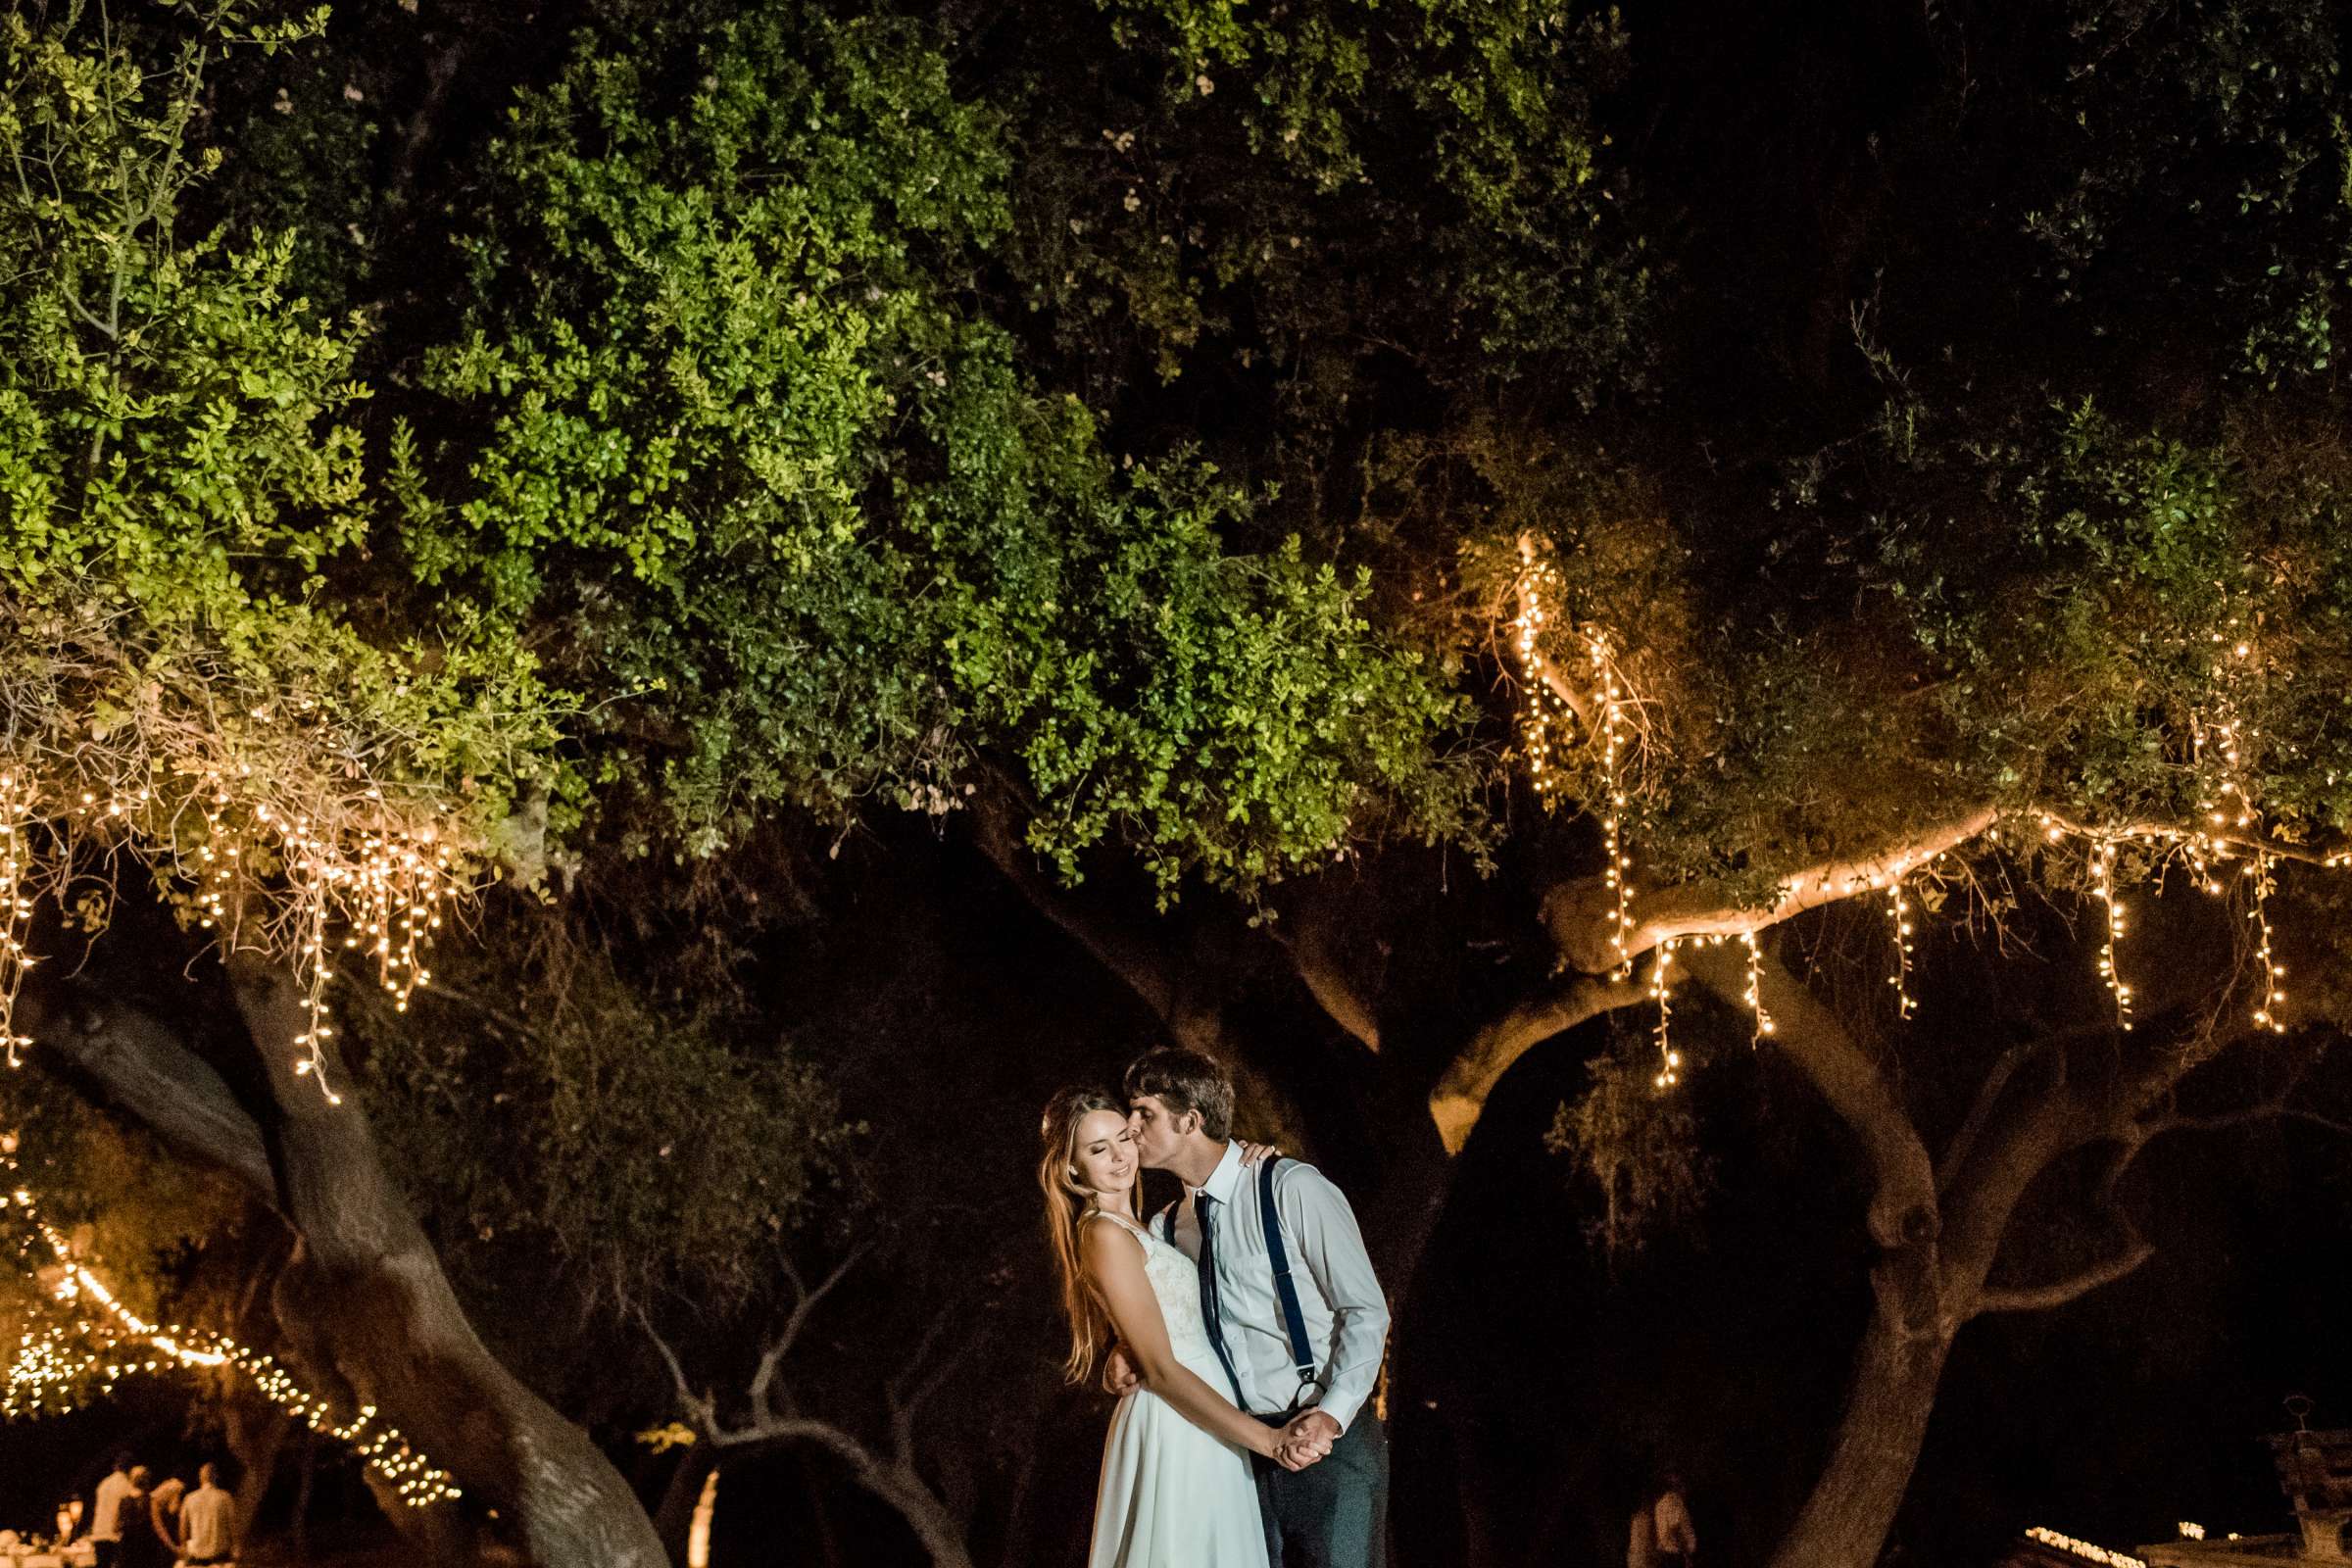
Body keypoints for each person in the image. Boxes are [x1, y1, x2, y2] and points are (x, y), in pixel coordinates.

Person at [1107, 1047, 1393, 1568]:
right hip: (1237, 1455)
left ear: (1190, 1120)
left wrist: (1330, 1416)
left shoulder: (1291, 1188)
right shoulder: (1167, 1229)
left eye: (1144, 1112)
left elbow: (1366, 1310)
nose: (1131, 1126)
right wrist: (1124, 1351)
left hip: (1329, 1442)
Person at [1041, 1086, 1313, 1567]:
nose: (1120, 1156)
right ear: (1071, 1167)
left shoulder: (1151, 1228)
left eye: (1123, 1137)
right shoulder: (1103, 1232)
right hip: (1176, 1420)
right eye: (1098, 1149)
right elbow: (1161, 1368)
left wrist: (1247, 1153)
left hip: (1206, 1419)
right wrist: (1267, 1440)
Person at [179, 1463, 237, 1566]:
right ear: (216, 1477)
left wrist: (184, 1547)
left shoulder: (190, 1498)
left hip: (196, 1554)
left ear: (200, 1478)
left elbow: (183, 1527)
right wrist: (236, 1547)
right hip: (219, 1555)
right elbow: (232, 1525)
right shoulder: (225, 1498)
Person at [90, 1455, 136, 1568]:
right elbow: (124, 1511)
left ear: (115, 1467)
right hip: (115, 1535)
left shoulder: (103, 1483)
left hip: (99, 1532)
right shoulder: (127, 1485)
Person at [1651, 1470, 1697, 1567]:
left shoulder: (1660, 1504)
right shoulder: (1675, 1502)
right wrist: (1687, 1557)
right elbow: (1675, 1529)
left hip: (1667, 1554)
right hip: (1676, 1556)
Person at [147, 1472, 186, 1563]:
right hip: (167, 1541)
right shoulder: (176, 1486)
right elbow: (173, 1509)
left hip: (160, 1540)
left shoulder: (155, 1496)